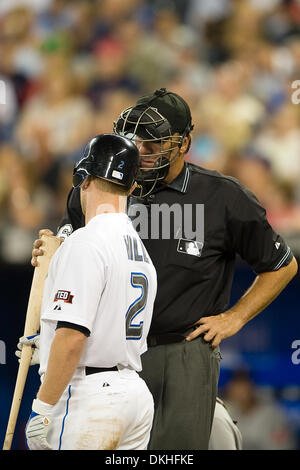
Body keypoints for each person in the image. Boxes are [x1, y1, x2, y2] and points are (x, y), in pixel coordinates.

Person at [31, 88, 298, 450]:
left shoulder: (222, 196)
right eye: (135, 139)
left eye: (153, 144)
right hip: (111, 358)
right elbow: (66, 254)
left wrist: (234, 317)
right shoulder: (108, 184)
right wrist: (50, 253)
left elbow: (281, 264)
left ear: (184, 143)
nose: (140, 151)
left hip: (182, 351)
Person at [25, 133, 157, 450]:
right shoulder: (139, 249)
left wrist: (42, 410)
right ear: (132, 187)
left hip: (89, 397)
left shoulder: (85, 242)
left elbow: (72, 338)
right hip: (134, 395)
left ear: (84, 180)